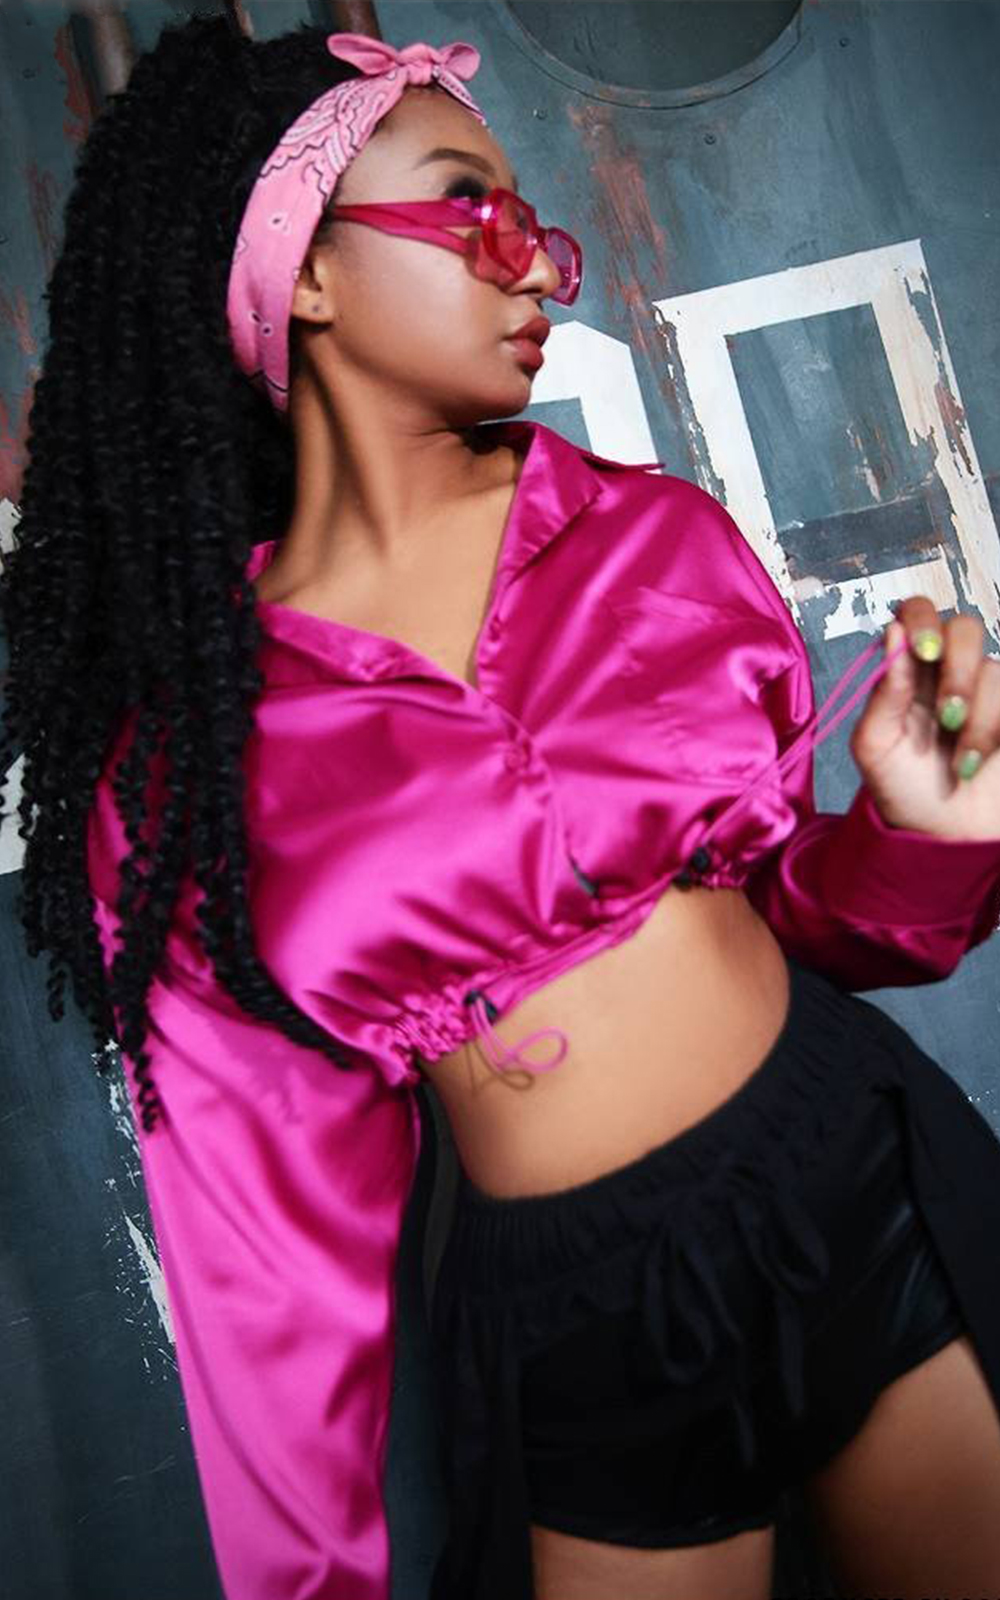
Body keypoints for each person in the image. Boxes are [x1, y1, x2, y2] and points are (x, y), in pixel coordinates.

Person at [3, 14, 1000, 1600]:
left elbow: (792, 918)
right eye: (472, 207)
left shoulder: (657, 538)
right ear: (304, 272)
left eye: (534, 220)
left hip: (856, 1165)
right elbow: (267, 1251)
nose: (536, 263)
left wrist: (921, 837)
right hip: (585, 1320)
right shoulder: (187, 768)